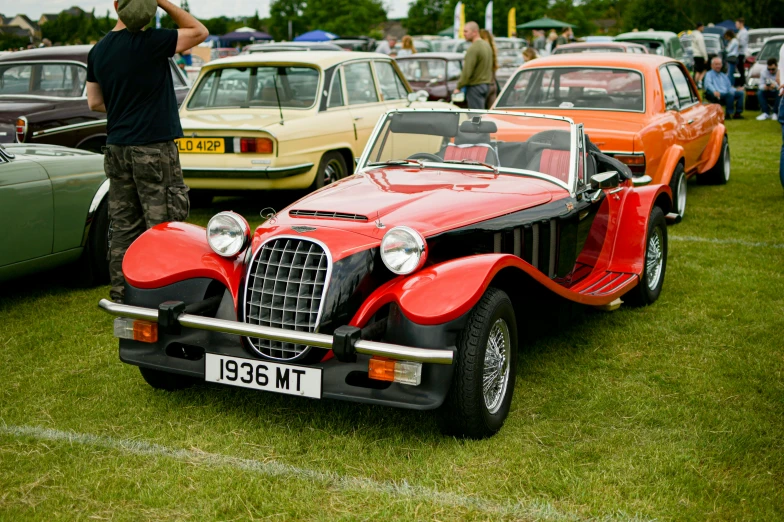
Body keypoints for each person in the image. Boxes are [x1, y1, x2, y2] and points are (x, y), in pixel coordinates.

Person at [86, 0, 209, 303]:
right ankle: (166, 296)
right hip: (153, 147)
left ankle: (123, 294)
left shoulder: (99, 50)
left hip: (116, 148)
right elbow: (198, 31)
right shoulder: (153, 42)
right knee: (166, 225)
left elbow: (94, 102)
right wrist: (165, 3)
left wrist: (123, 104)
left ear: (116, 6)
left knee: (124, 226)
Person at [453, 21, 493, 109]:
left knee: (475, 118)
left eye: (466, 31)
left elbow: (467, 72)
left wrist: (458, 87)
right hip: (486, 85)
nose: (464, 34)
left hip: (475, 86)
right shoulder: (486, 46)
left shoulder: (473, 48)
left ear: (474, 32)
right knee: (481, 114)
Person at [479, 29, 499, 108]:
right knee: (490, 113)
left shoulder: (482, 51)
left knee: (479, 114)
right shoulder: (493, 51)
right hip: (493, 84)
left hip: (484, 84)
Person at [691, 23, 708, 87]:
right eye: (702, 27)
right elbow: (702, 47)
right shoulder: (699, 36)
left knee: (698, 70)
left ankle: (695, 83)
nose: (703, 28)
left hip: (695, 54)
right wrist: (705, 57)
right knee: (703, 69)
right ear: (700, 27)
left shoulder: (693, 35)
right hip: (700, 55)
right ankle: (699, 82)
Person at [735, 18, 748, 86]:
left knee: (741, 69)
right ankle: (741, 82)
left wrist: (736, 45)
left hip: (741, 53)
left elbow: (742, 43)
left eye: (737, 24)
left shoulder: (744, 32)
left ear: (741, 23)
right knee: (740, 69)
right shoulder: (740, 32)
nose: (736, 25)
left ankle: (742, 83)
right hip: (739, 53)